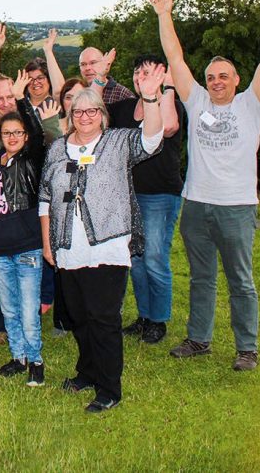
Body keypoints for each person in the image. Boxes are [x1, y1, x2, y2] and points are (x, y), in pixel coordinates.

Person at [154, 0, 260, 372]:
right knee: (201, 278)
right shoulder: (196, 102)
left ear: (236, 79)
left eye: (223, 76)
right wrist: (165, 14)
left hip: (237, 207)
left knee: (241, 281)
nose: (216, 82)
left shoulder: (251, 104)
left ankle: (247, 348)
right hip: (196, 204)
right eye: (211, 77)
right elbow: (174, 58)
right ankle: (199, 339)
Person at [39, 73, 164, 413]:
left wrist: (151, 99)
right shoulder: (56, 149)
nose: (85, 116)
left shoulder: (119, 142)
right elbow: (46, 197)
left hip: (108, 245)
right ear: (70, 116)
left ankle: (109, 389)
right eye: (78, 112)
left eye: (92, 110)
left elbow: (152, 140)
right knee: (78, 316)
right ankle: (87, 372)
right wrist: (47, 242)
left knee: (104, 318)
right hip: (67, 246)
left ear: (102, 115)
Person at [0, 71, 59, 387]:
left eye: (17, 133)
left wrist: (22, 100)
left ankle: (35, 361)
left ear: (24, 136)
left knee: (27, 310)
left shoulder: (32, 159)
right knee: (9, 309)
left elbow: (39, 134)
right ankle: (18, 356)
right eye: (6, 132)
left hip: (27, 247)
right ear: (0, 134)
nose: (11, 137)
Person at [109, 55, 186, 345]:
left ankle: (159, 320)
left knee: (154, 257)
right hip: (128, 195)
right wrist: (100, 76)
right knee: (136, 260)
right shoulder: (123, 109)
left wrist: (166, 90)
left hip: (159, 195)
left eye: (150, 72)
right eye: (139, 72)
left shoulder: (170, 103)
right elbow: (86, 111)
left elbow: (167, 128)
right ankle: (143, 316)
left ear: (162, 76)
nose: (143, 77)